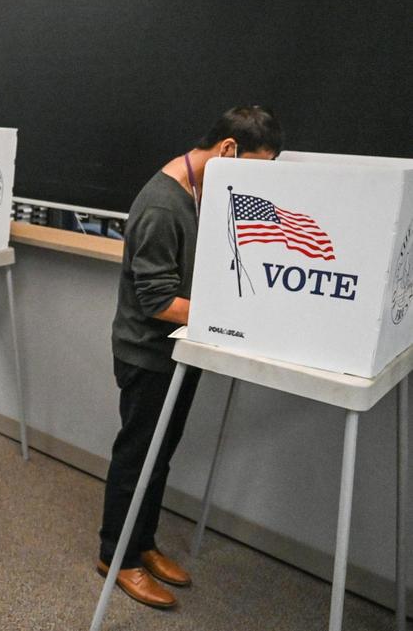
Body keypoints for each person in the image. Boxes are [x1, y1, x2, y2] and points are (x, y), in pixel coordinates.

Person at [98, 106, 283, 608]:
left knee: (161, 456)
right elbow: (156, 300)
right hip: (147, 353)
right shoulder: (162, 204)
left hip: (179, 350)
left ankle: (143, 543)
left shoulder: (203, 191)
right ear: (228, 149)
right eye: (255, 166)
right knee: (138, 456)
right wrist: (228, 311)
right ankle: (117, 556)